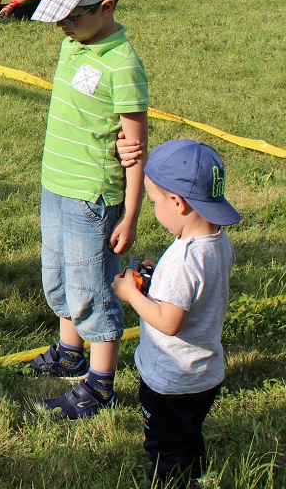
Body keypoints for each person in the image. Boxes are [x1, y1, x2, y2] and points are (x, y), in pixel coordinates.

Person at [28, 0, 148, 419]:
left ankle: (99, 386)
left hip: (92, 195)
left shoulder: (123, 64)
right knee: (58, 276)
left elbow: (136, 148)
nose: (61, 27)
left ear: (107, 7)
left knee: (92, 286)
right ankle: (69, 351)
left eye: (69, 17)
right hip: (56, 183)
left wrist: (132, 213)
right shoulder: (74, 43)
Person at [112, 140, 237, 487]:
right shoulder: (218, 241)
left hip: (171, 381)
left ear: (178, 203)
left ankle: (172, 481)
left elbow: (168, 321)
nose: (154, 209)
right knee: (188, 432)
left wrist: (130, 294)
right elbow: (196, 294)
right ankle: (194, 472)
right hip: (205, 375)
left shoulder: (184, 259)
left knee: (164, 446)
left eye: (154, 202)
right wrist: (155, 282)